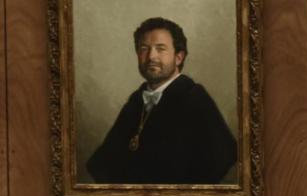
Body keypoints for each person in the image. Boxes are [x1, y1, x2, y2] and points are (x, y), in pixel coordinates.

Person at [87, 17, 237, 184]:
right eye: (144, 48)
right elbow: (101, 163)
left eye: (161, 49)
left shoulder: (194, 97)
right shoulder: (136, 100)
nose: (151, 56)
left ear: (179, 57)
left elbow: (224, 157)